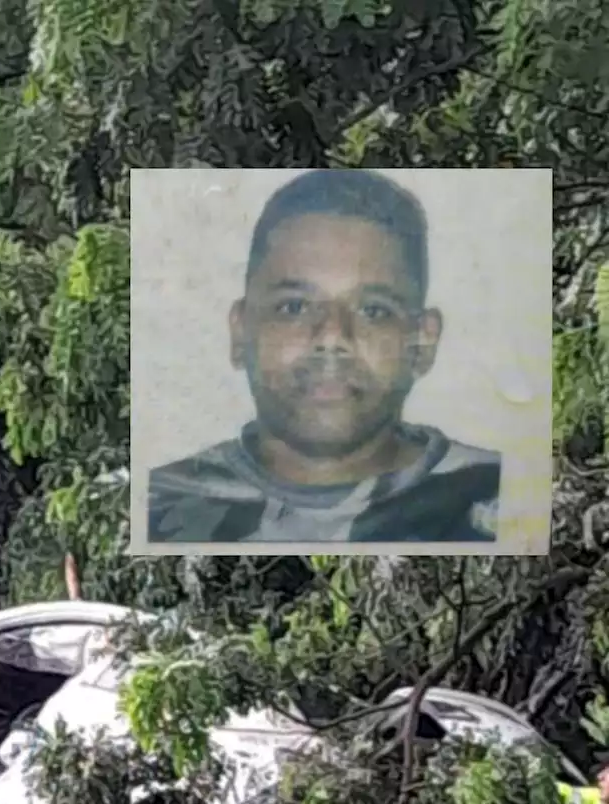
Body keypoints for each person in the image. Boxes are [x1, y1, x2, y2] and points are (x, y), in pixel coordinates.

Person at [146, 169, 502, 545]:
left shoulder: (502, 500)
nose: (332, 337)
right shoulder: (156, 504)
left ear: (423, 341)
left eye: (374, 310)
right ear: (240, 331)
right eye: (294, 307)